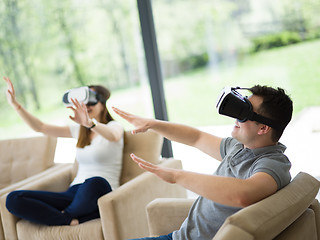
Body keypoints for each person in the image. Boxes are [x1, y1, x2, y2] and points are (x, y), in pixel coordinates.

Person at [112, 85, 293, 240]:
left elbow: (242, 194)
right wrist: (153, 124)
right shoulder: (238, 146)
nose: (236, 117)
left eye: (244, 113)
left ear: (263, 128)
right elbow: (196, 138)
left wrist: (177, 176)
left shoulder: (273, 164)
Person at [3, 77, 124, 226]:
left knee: (94, 181)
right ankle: (69, 219)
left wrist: (90, 123)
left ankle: (66, 214)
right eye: (83, 102)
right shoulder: (78, 130)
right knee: (13, 198)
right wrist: (15, 105)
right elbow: (40, 127)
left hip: (100, 190)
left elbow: (113, 135)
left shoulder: (114, 126)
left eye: (91, 101)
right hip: (74, 193)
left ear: (103, 103)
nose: (87, 106)